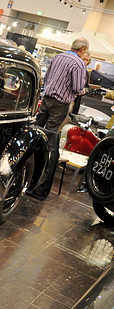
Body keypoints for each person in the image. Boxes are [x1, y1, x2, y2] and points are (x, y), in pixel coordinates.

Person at [28, 37, 89, 200]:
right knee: (51, 141)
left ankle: (28, 177)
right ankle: (41, 187)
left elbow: (46, 77)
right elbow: (77, 87)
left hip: (47, 99)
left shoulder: (57, 57)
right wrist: (81, 90)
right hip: (60, 104)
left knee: (35, 134)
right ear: (82, 49)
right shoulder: (78, 63)